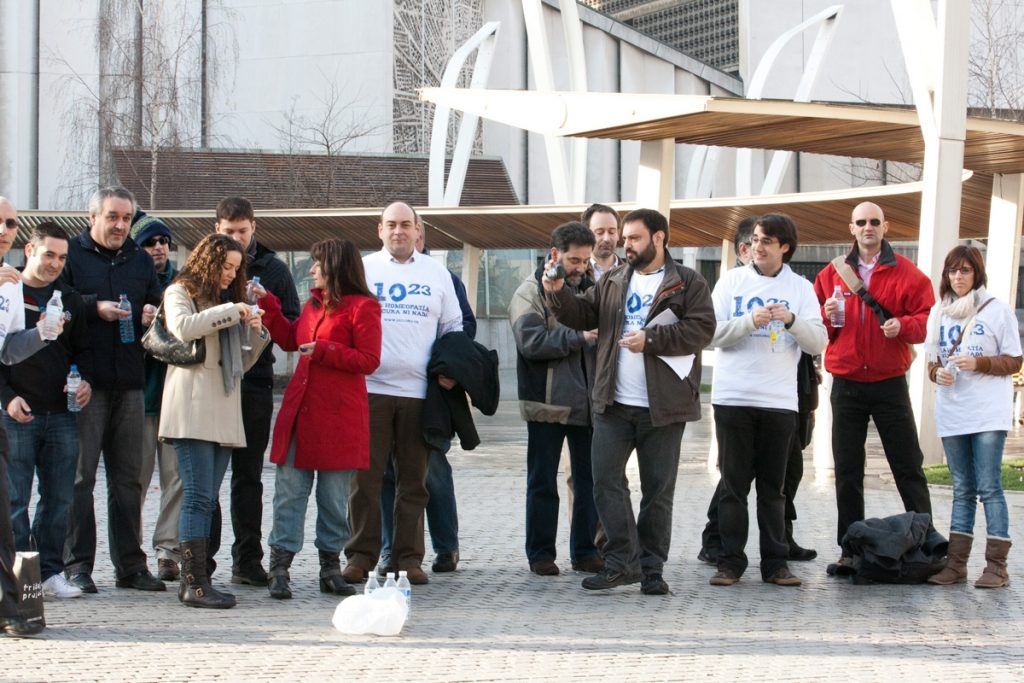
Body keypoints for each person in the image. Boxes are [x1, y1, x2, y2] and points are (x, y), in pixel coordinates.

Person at [544, 208, 716, 595]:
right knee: (605, 482)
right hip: (613, 403)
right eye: (625, 238)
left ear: (659, 238)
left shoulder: (687, 282)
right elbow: (583, 312)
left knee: (658, 491)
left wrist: (651, 341)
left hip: (664, 407)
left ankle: (652, 568)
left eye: (634, 238)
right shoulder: (615, 279)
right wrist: (555, 293)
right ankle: (622, 562)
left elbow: (702, 328)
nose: (626, 244)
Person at [343, 201, 463, 586]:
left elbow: (454, 328)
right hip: (368, 389)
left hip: (418, 394)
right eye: (391, 225)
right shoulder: (361, 269)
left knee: (414, 481)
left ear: (417, 231)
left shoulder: (437, 273)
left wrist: (447, 372)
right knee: (365, 479)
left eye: (405, 225)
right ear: (379, 230)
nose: (398, 231)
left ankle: (407, 560)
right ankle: (360, 556)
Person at [813, 201, 935, 573]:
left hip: (889, 383)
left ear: (886, 227)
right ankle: (851, 549)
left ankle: (926, 543)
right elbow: (817, 325)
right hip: (847, 383)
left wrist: (905, 326)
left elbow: (927, 317)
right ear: (851, 228)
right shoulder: (831, 274)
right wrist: (828, 318)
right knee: (847, 471)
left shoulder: (910, 275)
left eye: (875, 222)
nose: (868, 227)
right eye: (861, 222)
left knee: (908, 466)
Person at [707, 214, 826, 587]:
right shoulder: (731, 281)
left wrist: (790, 320)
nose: (757, 247)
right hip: (733, 398)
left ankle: (776, 564)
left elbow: (818, 343)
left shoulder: (801, 288)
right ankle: (729, 562)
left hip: (779, 402)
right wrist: (746, 322)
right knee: (733, 486)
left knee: (774, 490)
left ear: (784, 248)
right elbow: (709, 334)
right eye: (756, 240)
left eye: (767, 242)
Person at [258, 239, 381, 599]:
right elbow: (289, 339)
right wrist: (267, 304)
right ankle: (279, 568)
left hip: (338, 419)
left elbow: (369, 360)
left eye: (317, 264)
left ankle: (330, 567)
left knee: (332, 499)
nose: (312, 270)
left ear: (336, 267)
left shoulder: (364, 307)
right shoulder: (312, 306)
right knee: (289, 494)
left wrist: (325, 350)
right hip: (301, 414)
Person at [60, 186, 164, 594]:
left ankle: (131, 568)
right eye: (113, 217)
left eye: (126, 218)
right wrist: (94, 307)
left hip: (130, 384)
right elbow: (61, 306)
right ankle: (78, 565)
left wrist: (151, 312)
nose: (121, 224)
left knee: (128, 480)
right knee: (80, 478)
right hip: (84, 383)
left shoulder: (139, 259)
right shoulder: (71, 254)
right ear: (93, 218)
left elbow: (154, 303)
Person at [158, 234, 268, 608]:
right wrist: (232, 310)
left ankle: (200, 580)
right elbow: (183, 328)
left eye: (236, 268)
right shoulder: (180, 290)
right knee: (198, 497)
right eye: (225, 267)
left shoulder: (226, 301)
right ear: (208, 261)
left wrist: (255, 329)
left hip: (222, 408)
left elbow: (241, 363)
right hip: (190, 407)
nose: (230, 274)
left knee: (207, 499)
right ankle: (194, 583)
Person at [213, 196, 300, 587]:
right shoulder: (203, 267)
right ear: (217, 229)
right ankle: (201, 561)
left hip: (255, 381)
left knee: (248, 476)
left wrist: (266, 308)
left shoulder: (274, 268)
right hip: (212, 381)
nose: (236, 237)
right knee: (207, 476)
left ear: (254, 228)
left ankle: (247, 560)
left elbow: (293, 328)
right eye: (229, 231)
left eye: (242, 231)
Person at [2, 223, 92, 601]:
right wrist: (6, 397)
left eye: (62, 257)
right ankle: (23, 579)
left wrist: (84, 382)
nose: (55, 263)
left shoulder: (69, 299)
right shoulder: (9, 292)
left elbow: (83, 353)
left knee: (59, 500)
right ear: (29, 251)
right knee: (14, 501)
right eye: (49, 254)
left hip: (61, 413)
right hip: (17, 412)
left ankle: (51, 572)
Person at [378, 226, 475, 575]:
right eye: (395, 228)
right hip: (382, 392)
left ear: (421, 239)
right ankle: (391, 550)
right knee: (388, 474)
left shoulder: (442, 278)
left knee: (432, 471)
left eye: (412, 233)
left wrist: (445, 367)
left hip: (430, 394)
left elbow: (463, 327)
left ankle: (446, 547)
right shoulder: (373, 271)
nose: (404, 238)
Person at [925, 246, 1022, 588]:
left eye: (965, 270)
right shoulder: (938, 312)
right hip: (953, 410)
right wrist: (938, 375)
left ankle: (997, 566)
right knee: (962, 488)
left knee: (989, 487)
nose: (958, 276)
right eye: (953, 271)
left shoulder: (996, 311)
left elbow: (1015, 361)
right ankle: (956, 564)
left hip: (986, 413)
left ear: (977, 273)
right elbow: (931, 363)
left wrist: (979, 363)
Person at [510, 221, 602, 576]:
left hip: (589, 405)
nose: (580, 267)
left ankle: (585, 552)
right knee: (543, 482)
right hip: (546, 404)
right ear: (555, 254)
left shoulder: (591, 287)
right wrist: (578, 338)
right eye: (574, 260)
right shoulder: (528, 291)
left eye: (585, 261)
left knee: (588, 483)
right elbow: (530, 343)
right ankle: (540, 554)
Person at [130, 211, 182, 582]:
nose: (159, 247)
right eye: (150, 242)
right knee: (135, 479)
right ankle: (131, 554)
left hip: (177, 398)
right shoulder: (130, 280)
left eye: (163, 241)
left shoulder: (182, 283)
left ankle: (168, 552)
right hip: (140, 396)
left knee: (176, 478)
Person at [583, 203, 622, 281]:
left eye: (612, 232)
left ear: (618, 234)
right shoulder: (575, 273)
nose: (606, 239)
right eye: (599, 232)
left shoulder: (633, 273)